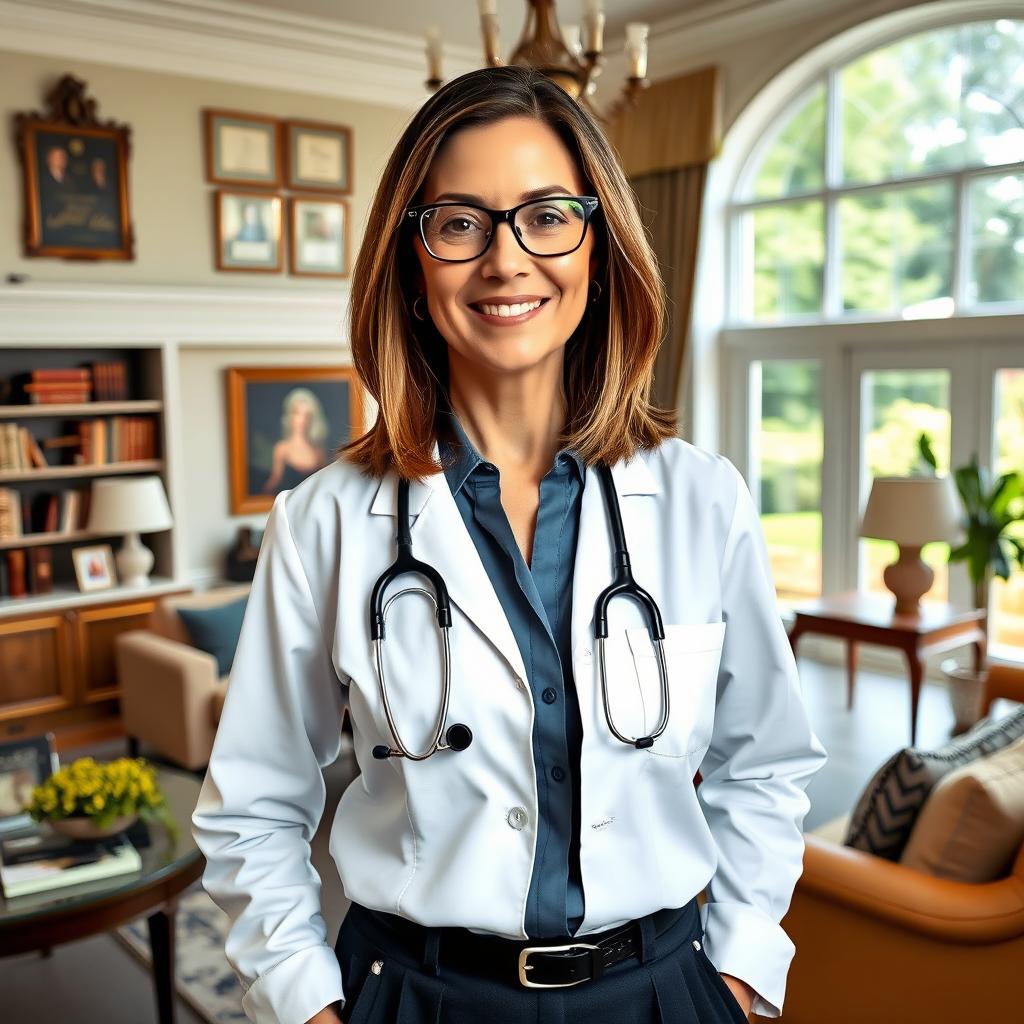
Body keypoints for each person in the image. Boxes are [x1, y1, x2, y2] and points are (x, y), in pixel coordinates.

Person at [191, 65, 828, 1024]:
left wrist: (736, 976)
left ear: (599, 248)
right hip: (414, 996)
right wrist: (306, 1007)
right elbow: (252, 808)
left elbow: (765, 764)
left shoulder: (704, 498)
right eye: (459, 222)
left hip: (663, 991)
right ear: (410, 261)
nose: (506, 259)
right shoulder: (322, 522)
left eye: (547, 215)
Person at [261, 386, 329, 493]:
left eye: (307, 415)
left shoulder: (319, 453)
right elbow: (274, 482)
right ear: (289, 415)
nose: (302, 420)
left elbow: (326, 485)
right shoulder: (282, 449)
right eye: (297, 413)